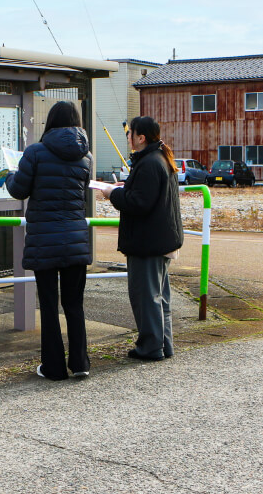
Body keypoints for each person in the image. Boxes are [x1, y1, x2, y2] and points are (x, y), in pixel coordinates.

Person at [5, 101, 93, 380]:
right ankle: (80, 363)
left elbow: (19, 190)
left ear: (50, 122)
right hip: (76, 238)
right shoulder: (86, 156)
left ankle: (54, 367)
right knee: (74, 304)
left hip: (45, 240)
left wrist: (8, 176)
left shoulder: (35, 152)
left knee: (49, 304)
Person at [102, 116, 183, 361]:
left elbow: (139, 202)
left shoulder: (148, 163)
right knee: (159, 297)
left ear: (141, 137)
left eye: (131, 134)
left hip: (148, 242)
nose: (128, 137)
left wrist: (112, 194)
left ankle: (150, 347)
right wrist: (126, 188)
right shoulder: (160, 158)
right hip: (161, 239)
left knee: (146, 297)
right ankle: (163, 345)